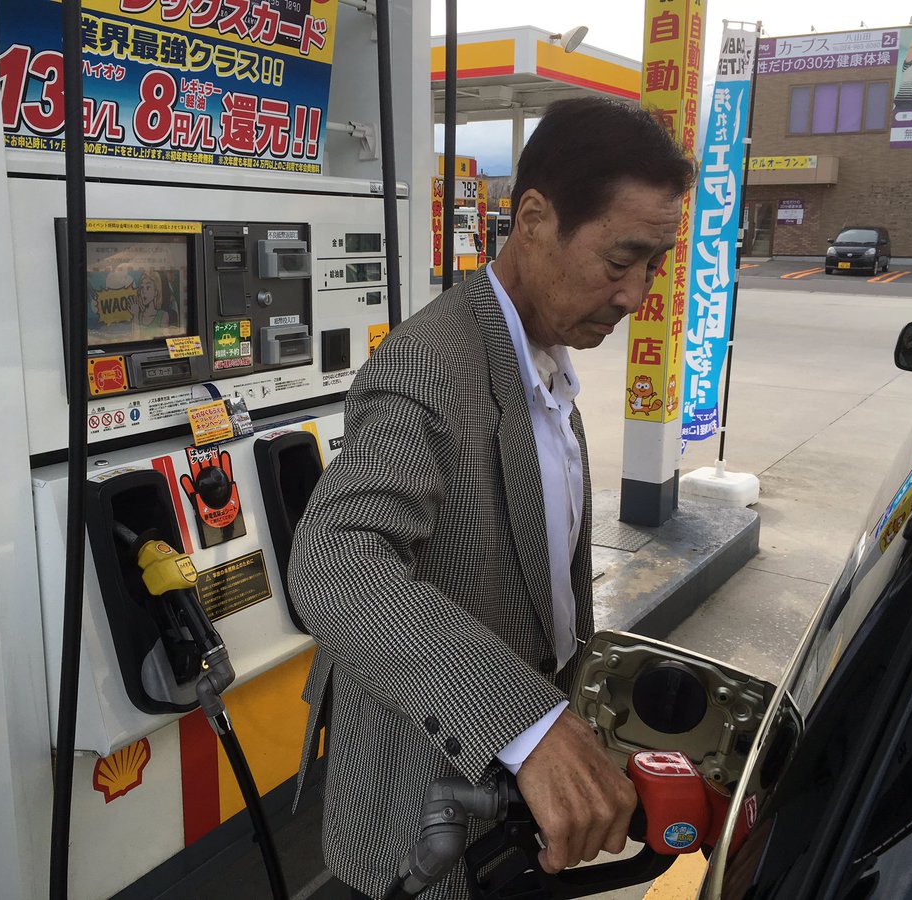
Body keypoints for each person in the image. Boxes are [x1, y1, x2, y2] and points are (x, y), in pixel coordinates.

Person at [288, 97, 693, 900]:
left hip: (516, 822)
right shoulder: (432, 364)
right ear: (534, 218)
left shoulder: (539, 360)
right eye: (622, 259)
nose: (635, 295)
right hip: (425, 815)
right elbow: (333, 562)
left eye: (656, 263)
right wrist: (525, 726)